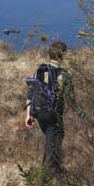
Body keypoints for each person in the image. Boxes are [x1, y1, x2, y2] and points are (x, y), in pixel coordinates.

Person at [25, 41, 70, 176]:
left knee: (51, 140)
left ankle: (51, 171)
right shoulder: (64, 75)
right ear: (63, 56)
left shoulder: (39, 70)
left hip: (39, 113)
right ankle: (49, 174)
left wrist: (28, 114)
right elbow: (71, 98)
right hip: (53, 114)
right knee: (55, 140)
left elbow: (31, 92)